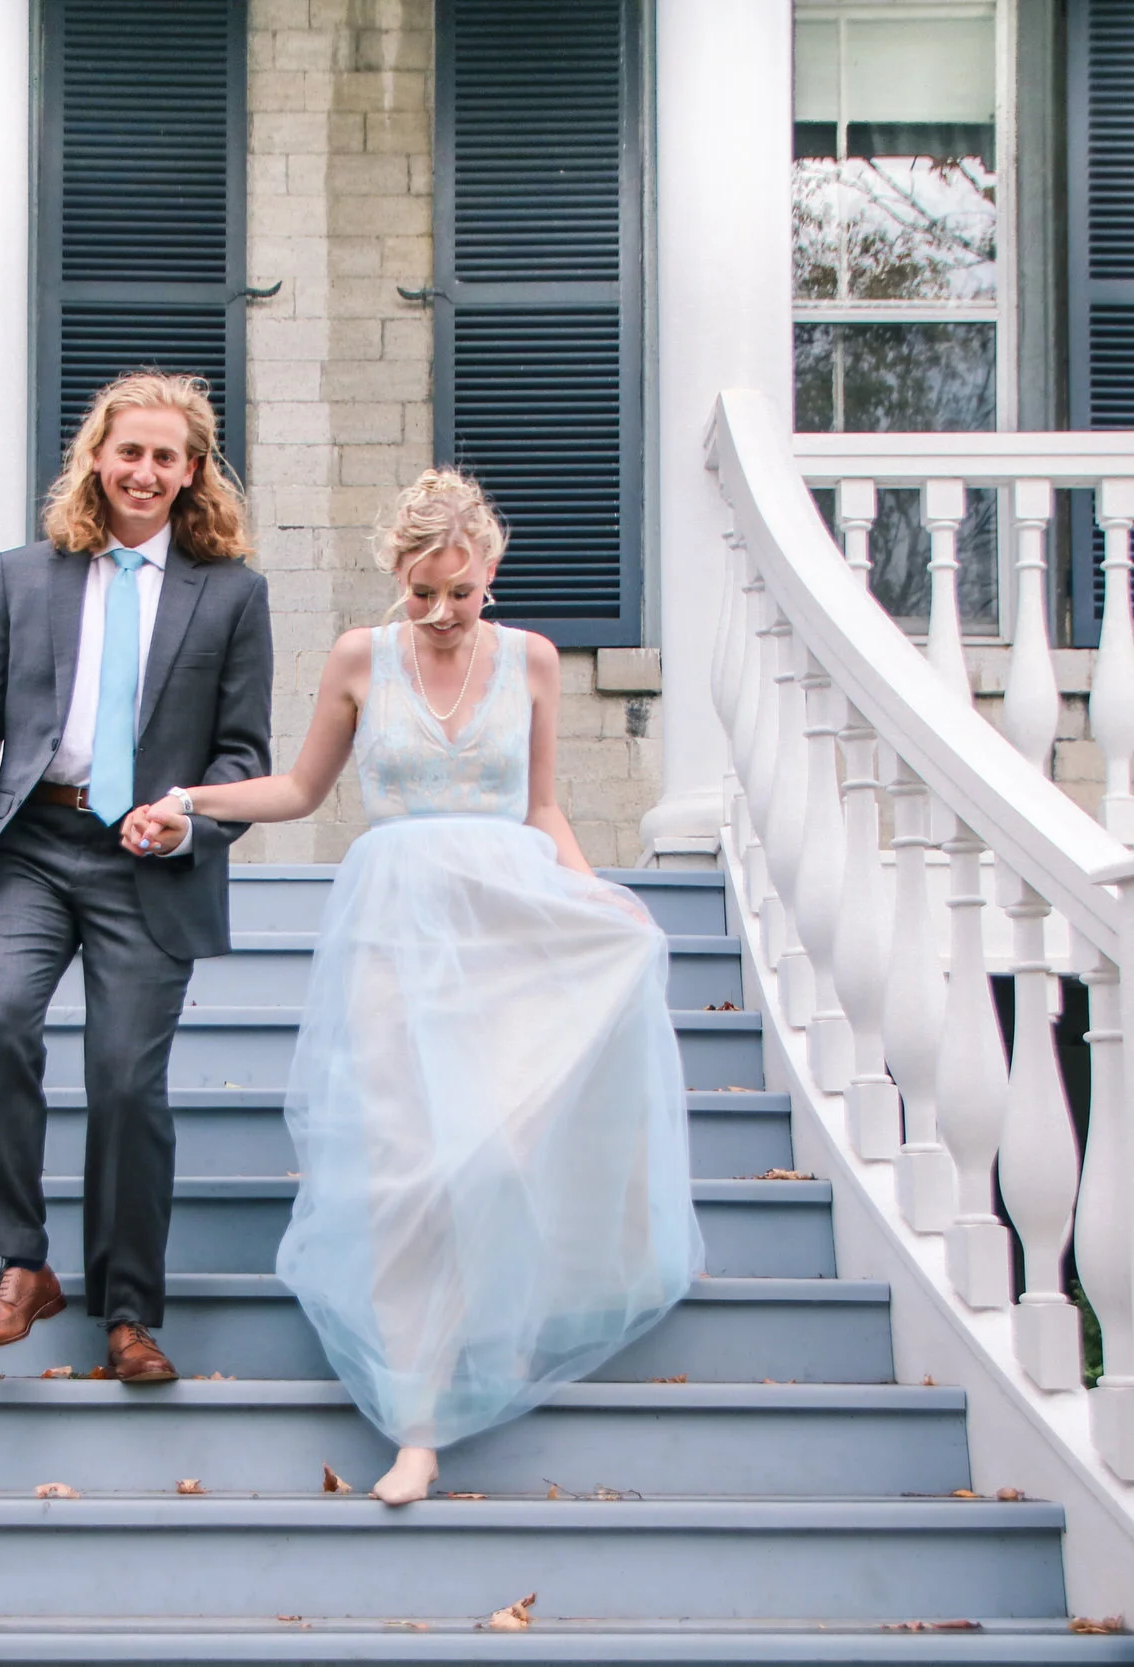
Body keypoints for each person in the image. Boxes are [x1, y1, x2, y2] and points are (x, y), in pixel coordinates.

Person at [125, 469, 702, 1502]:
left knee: (487, 1157)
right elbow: (300, 789)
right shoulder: (360, 655)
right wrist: (189, 799)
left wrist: (597, 894)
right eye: (419, 592)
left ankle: (500, 1336)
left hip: (510, 920)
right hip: (393, 924)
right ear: (396, 575)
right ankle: (418, 1423)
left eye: (460, 592)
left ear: (489, 571)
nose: (438, 614)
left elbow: (544, 806)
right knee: (401, 1170)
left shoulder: (529, 659)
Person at [0, 372, 273, 1384]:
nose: (145, 472)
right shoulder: (24, 576)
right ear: (96, 460)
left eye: (166, 456)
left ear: (191, 470)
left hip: (144, 862)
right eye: (129, 453)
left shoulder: (232, 593)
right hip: (30, 841)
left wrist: (185, 816)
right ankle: (21, 1264)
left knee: (123, 1081)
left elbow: (245, 756)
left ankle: (127, 1311)